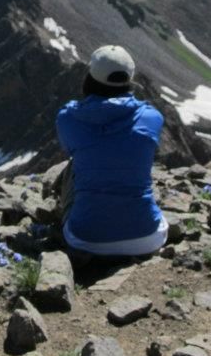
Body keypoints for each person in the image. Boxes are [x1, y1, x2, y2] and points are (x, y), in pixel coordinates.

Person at [56, 44, 168, 257]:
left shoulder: (68, 118)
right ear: (129, 79)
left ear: (90, 77)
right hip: (146, 238)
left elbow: (70, 149)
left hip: (84, 238)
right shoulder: (152, 118)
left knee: (74, 165)